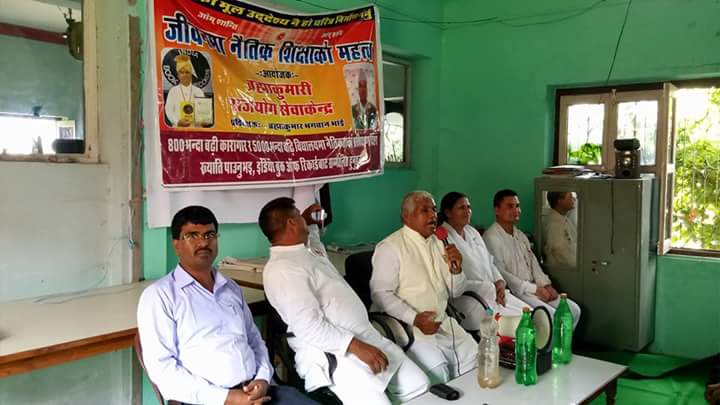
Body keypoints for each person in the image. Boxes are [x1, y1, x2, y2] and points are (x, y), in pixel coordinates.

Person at [137, 205, 317, 405]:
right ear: (176, 244)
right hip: (207, 400)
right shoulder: (160, 296)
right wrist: (228, 398)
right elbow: (163, 371)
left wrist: (262, 378)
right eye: (192, 236)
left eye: (210, 235)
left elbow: (255, 341)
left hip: (255, 392)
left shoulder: (230, 288)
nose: (203, 242)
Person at [260, 198, 429, 405]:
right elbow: (308, 327)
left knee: (420, 386)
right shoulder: (283, 269)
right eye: (298, 217)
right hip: (337, 352)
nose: (303, 221)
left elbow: (314, 241)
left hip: (365, 337)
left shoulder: (306, 251)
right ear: (292, 223)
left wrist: (309, 223)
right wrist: (354, 346)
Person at [371, 191, 478, 384]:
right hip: (409, 328)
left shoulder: (440, 242)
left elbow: (456, 291)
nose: (433, 215)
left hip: (443, 323)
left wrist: (457, 270)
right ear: (407, 216)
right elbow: (380, 294)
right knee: (438, 375)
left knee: (476, 359)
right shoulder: (390, 247)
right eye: (425, 210)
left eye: (434, 210)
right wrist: (414, 318)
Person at [483, 189, 581, 328]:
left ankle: (563, 341)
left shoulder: (520, 235)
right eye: (510, 206)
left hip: (535, 287)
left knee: (573, 310)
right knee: (551, 317)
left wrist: (546, 285)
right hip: (518, 292)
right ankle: (552, 343)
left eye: (517, 206)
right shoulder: (491, 237)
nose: (516, 210)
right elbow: (502, 274)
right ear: (497, 210)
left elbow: (533, 263)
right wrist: (535, 289)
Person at [438, 192, 528, 331]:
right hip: (472, 301)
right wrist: (487, 287)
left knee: (531, 315)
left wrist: (499, 281)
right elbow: (450, 282)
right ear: (448, 212)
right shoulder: (442, 239)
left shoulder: (472, 232)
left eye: (469, 207)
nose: (467, 211)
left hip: (495, 293)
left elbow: (489, 261)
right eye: (462, 208)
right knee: (520, 325)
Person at [165, 54, 206, 127]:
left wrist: (203, 120)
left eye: (187, 72)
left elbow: (203, 111)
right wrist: (177, 121)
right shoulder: (173, 91)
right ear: (178, 75)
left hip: (195, 129)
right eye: (181, 72)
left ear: (191, 74)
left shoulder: (199, 91)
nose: (184, 75)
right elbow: (168, 110)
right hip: (178, 129)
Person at [543, 191, 578, 269]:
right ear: (560, 201)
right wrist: (581, 264)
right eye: (570, 197)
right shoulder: (553, 224)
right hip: (563, 270)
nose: (574, 199)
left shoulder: (564, 219)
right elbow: (560, 254)